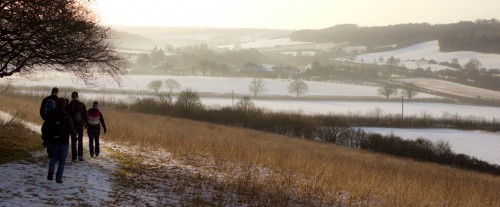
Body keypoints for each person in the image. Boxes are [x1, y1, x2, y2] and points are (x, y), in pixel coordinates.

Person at [42, 98, 76, 183]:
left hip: (53, 139)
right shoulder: (67, 116)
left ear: (56, 104)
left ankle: (51, 170)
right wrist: (74, 138)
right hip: (64, 141)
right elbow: (72, 129)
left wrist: (45, 139)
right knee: (62, 160)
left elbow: (45, 128)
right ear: (64, 105)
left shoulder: (51, 115)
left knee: (53, 157)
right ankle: (58, 178)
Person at [40, 87, 59, 156]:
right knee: (53, 135)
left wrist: (44, 118)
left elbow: (41, 110)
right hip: (55, 121)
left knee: (46, 133)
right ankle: (52, 151)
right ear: (57, 92)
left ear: (51, 91)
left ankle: (48, 150)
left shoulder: (46, 99)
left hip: (47, 120)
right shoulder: (58, 100)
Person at [68, 92, 87, 162]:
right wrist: (86, 124)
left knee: (73, 140)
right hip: (80, 125)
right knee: (80, 140)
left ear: (71, 96)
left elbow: (68, 116)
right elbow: (85, 115)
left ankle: (74, 157)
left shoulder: (70, 105)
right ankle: (80, 156)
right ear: (77, 96)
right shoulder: (82, 105)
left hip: (72, 125)